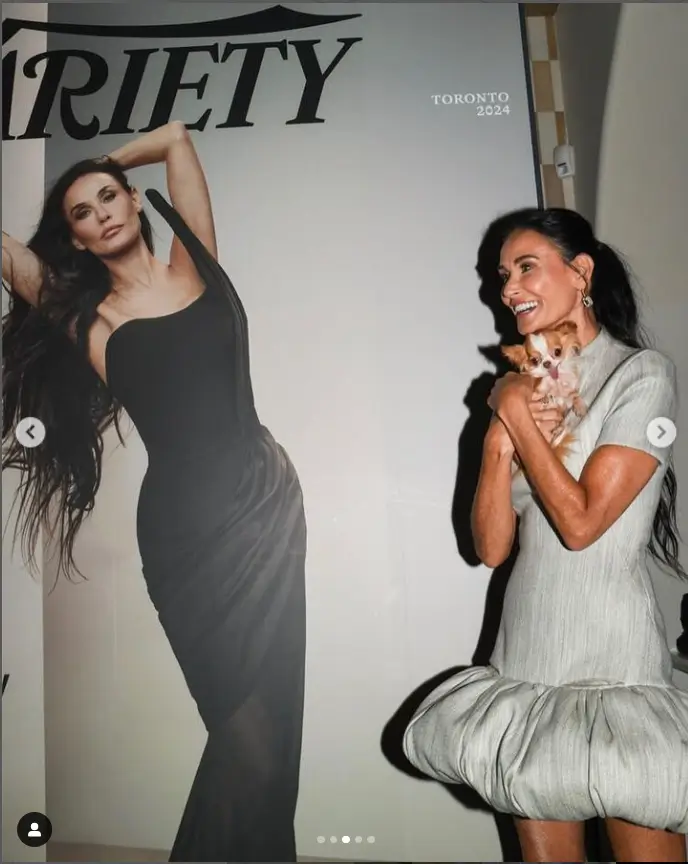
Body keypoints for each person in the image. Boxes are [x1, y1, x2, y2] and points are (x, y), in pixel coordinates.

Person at [2, 122, 307, 863]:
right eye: (82, 211)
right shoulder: (87, 319)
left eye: (109, 195)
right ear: (73, 239)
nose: (102, 211)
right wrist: (92, 178)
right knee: (249, 748)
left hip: (267, 511)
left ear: (135, 202)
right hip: (185, 536)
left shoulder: (193, 259)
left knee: (273, 749)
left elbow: (175, 138)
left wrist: (107, 158)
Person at [403, 208, 688, 863]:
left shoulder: (641, 376)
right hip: (527, 651)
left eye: (525, 266)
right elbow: (491, 549)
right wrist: (500, 443)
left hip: (614, 660)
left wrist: (513, 415)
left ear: (580, 271)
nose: (506, 289)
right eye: (502, 274)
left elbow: (583, 524)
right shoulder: (528, 386)